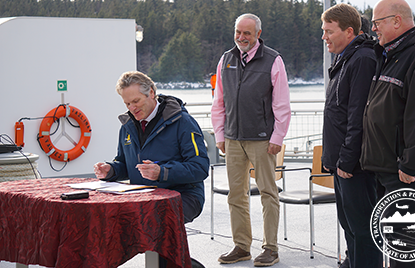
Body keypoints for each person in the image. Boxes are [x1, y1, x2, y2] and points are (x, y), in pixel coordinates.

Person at [360, 0, 415, 268]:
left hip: (409, 169)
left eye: (377, 23)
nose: (373, 29)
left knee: (404, 242)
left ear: (396, 21)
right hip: (390, 166)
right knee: (396, 241)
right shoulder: (393, 53)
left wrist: (410, 163)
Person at [93, 71, 209, 267]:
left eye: (136, 101)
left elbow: (200, 167)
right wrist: (111, 170)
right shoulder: (127, 126)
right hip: (144, 197)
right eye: (127, 104)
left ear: (152, 93)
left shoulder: (182, 122)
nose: (132, 108)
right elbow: (124, 164)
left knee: (156, 228)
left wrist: (162, 172)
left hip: (184, 195)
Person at [211, 13, 291, 267]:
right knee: (236, 194)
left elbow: (281, 103)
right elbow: (219, 102)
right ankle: (241, 246)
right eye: (238, 32)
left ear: (258, 34)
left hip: (262, 139)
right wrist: (220, 134)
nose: (241, 37)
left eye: (247, 33)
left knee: (268, 192)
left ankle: (271, 248)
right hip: (233, 139)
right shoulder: (226, 59)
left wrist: (278, 136)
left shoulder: (273, 60)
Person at [321, 3, 382, 268]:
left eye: (328, 31)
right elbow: (336, 111)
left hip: (355, 165)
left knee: (363, 230)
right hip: (341, 162)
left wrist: (345, 160)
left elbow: (358, 115)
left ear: (349, 31)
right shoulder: (345, 57)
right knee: (349, 225)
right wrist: (330, 156)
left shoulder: (362, 59)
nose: (324, 37)